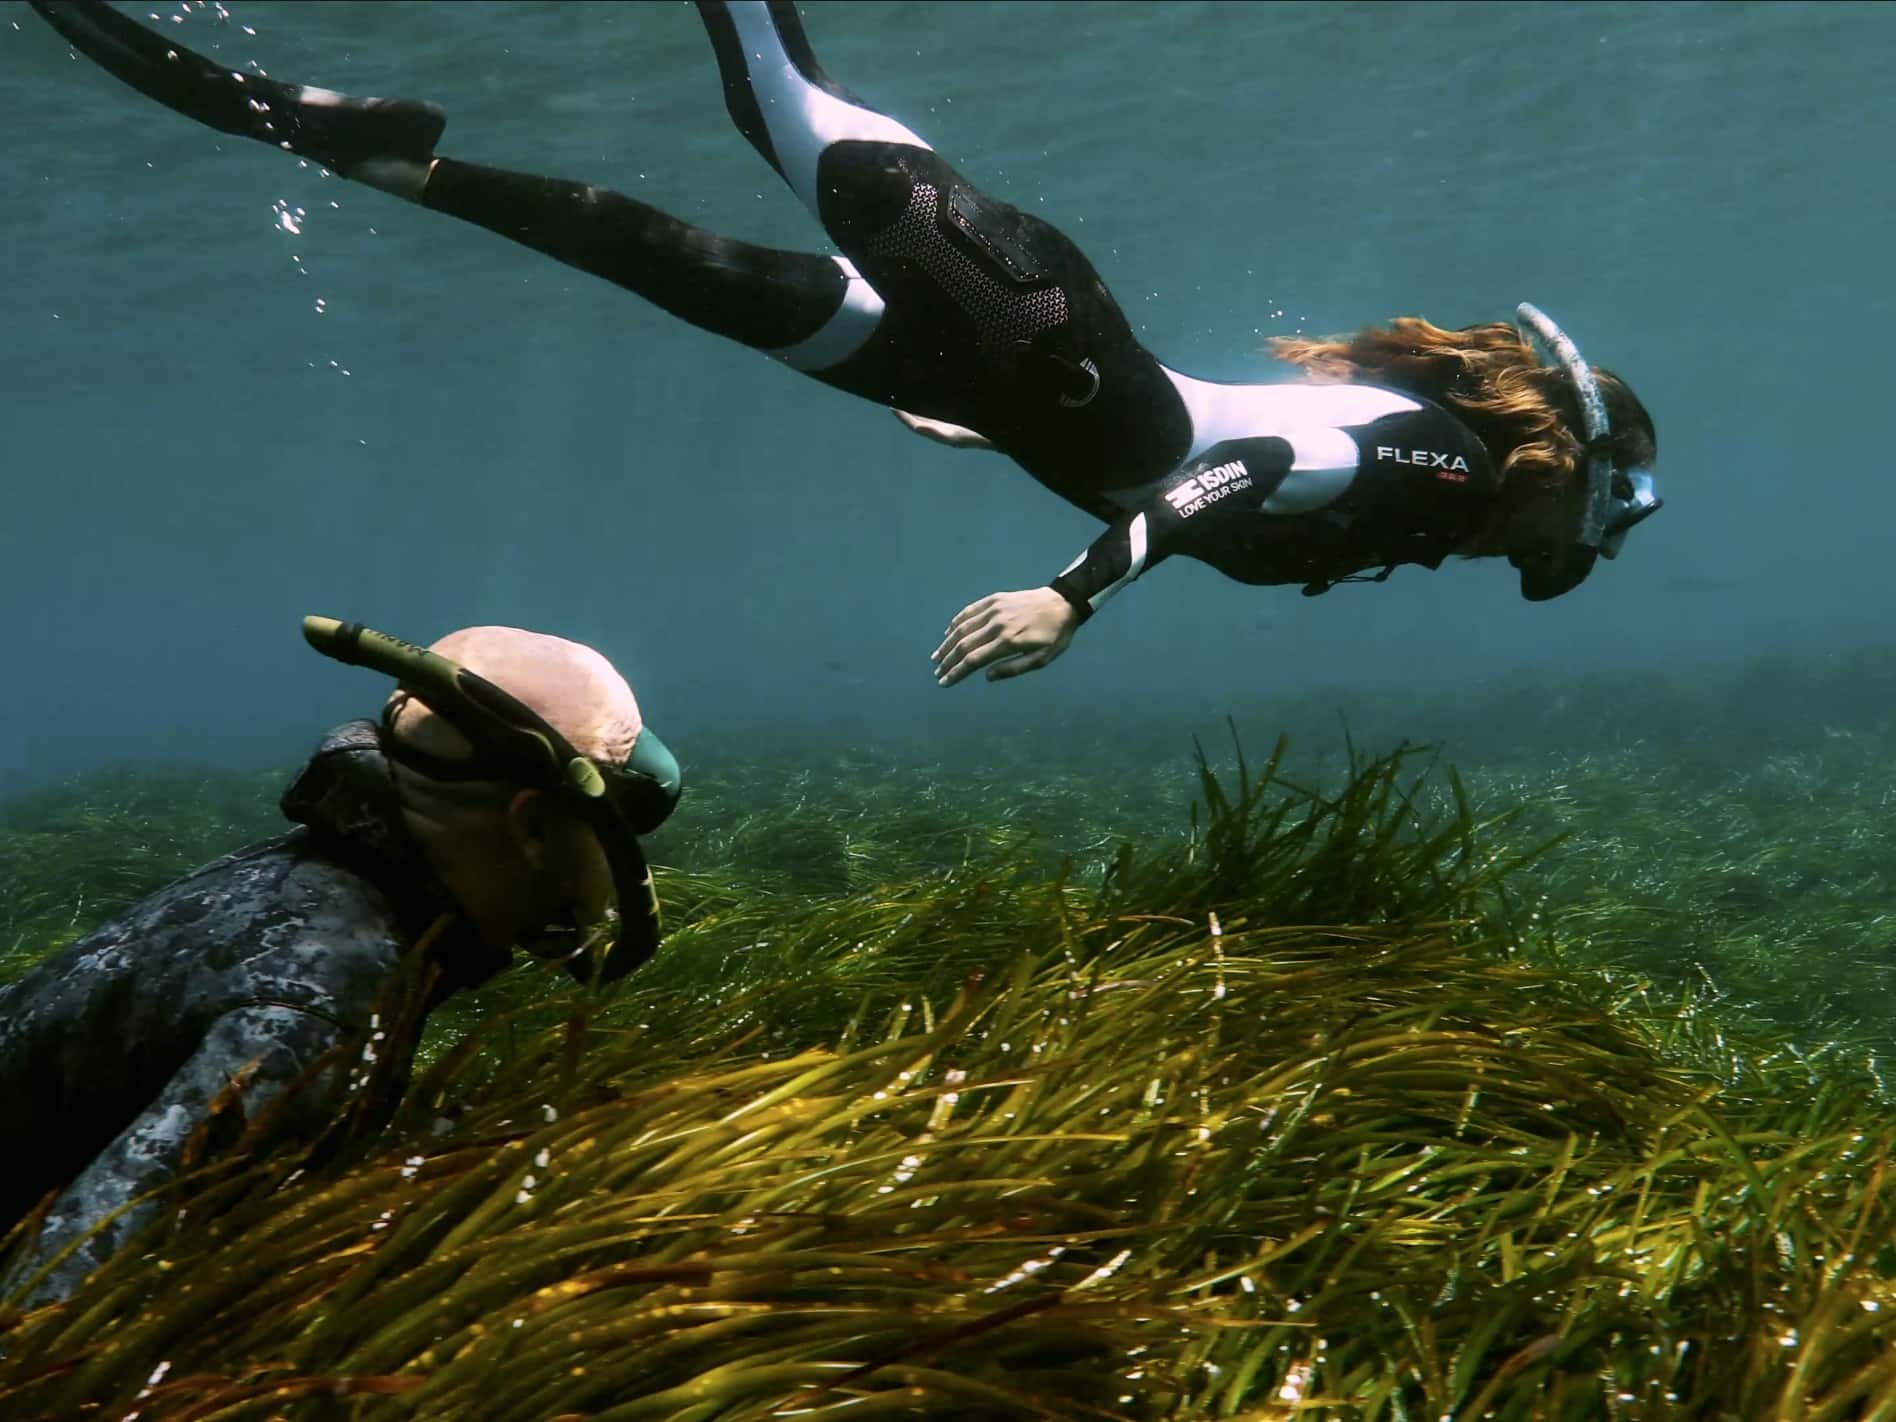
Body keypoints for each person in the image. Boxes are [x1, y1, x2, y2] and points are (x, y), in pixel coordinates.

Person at [30, 1, 1665, 688]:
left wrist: (1023, 450)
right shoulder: (1438, 460)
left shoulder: (1433, 507)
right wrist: (1072, 596)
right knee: (767, 91)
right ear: (1559, 462)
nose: (1547, 560)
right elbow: (1242, 460)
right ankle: (372, 152)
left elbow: (1223, 439)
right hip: (1031, 327)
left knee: (658, 260)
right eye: (1575, 533)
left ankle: (387, 155)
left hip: (1012, 381)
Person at [0, 618, 682, 1304]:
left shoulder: (316, 882)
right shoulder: (320, 1007)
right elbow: (49, 1317)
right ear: (532, 827)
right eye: (623, 810)